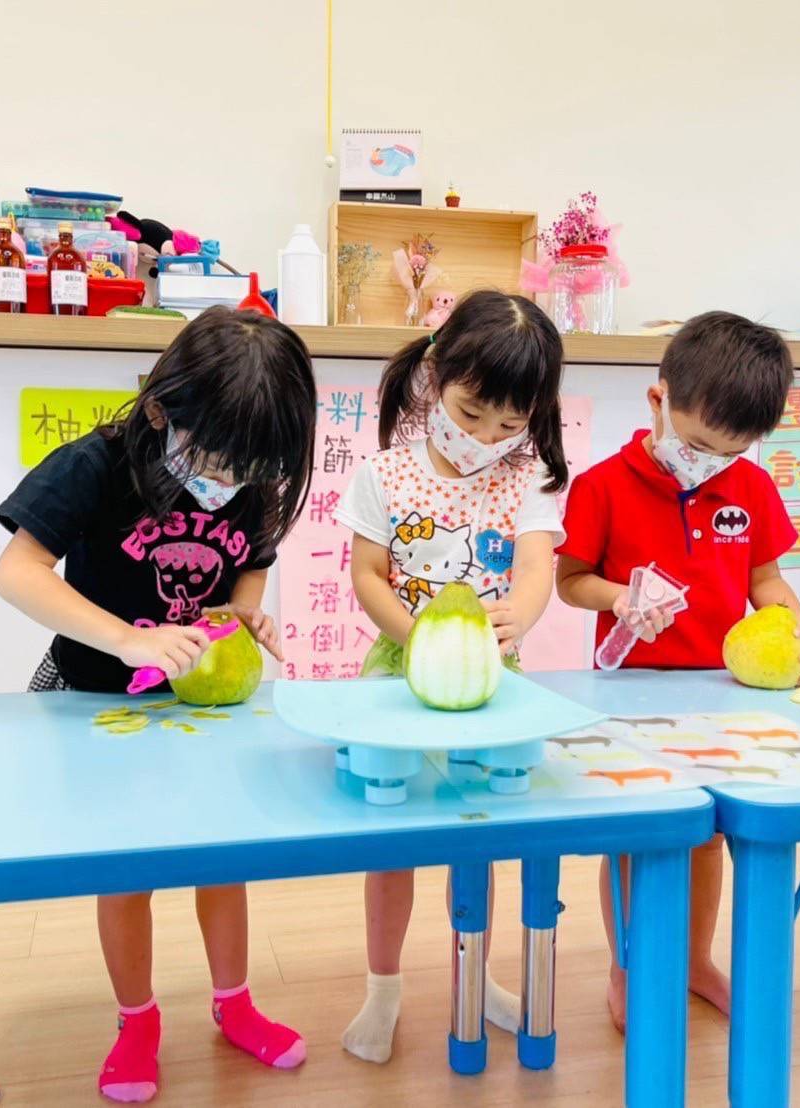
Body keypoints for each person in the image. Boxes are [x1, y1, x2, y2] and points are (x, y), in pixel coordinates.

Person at [0, 307, 315, 1101]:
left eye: (250, 469)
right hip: (97, 698)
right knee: (128, 869)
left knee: (223, 859)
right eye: (214, 460)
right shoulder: (97, 465)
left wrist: (240, 611)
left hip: (204, 706)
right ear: (163, 410)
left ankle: (235, 1003)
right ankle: (137, 1020)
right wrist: (128, 640)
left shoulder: (252, 473)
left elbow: (250, 565)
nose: (228, 483)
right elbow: (16, 572)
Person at [555, 310, 800, 1027]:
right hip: (630, 693)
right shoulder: (603, 485)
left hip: (724, 695)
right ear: (658, 399)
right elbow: (571, 580)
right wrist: (621, 596)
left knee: (707, 836)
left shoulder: (751, 489)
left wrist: (793, 620)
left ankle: (698, 960)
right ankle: (627, 966)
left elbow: (765, 578)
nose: (710, 462)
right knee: (639, 838)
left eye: (731, 452)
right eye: (699, 443)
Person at [335, 290, 567, 1063]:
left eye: (508, 425)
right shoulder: (386, 474)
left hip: (489, 681)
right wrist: (421, 637)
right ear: (435, 377)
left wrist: (520, 619)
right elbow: (368, 573)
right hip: (397, 672)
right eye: (470, 415)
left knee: (482, 832)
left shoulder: (527, 478)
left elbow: (536, 568)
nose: (485, 438)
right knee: (391, 841)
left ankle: (480, 970)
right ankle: (384, 987)